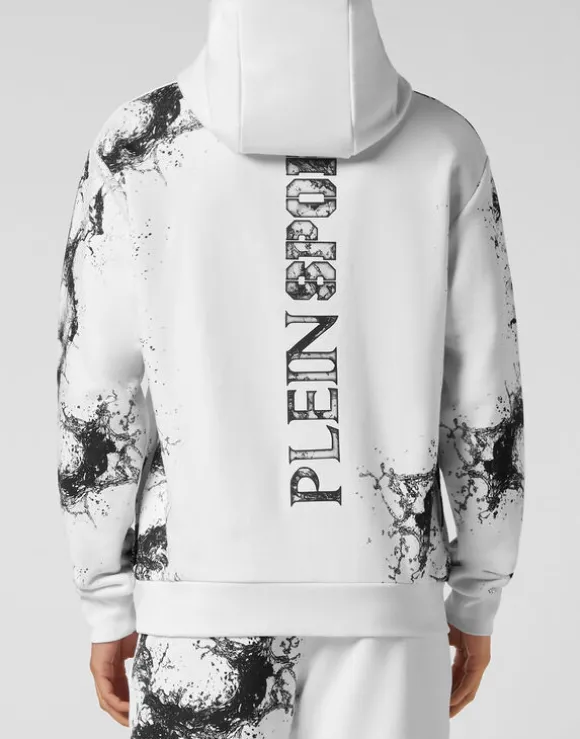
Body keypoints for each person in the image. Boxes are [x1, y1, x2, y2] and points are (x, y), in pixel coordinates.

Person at [55, 0, 525, 736]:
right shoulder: (443, 149)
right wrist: (476, 594)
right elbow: (485, 398)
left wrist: (106, 598)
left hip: (196, 610)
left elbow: (97, 394)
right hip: (389, 608)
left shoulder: (139, 147)